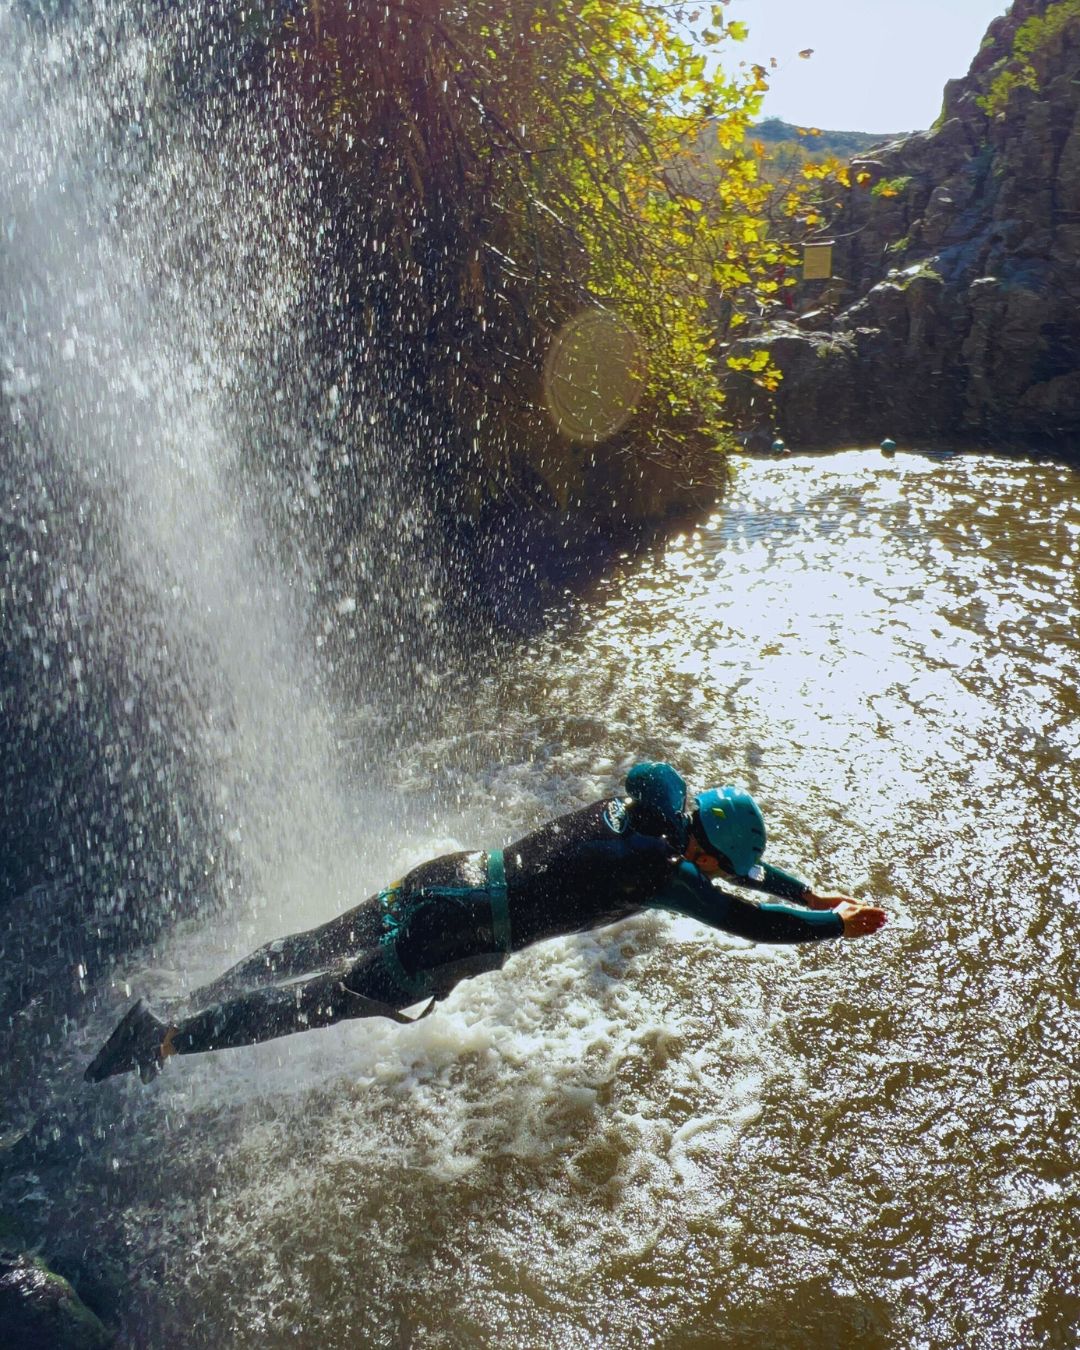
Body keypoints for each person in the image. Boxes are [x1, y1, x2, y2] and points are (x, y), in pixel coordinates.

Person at [84, 762, 886, 1084]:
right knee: (313, 1004)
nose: (717, 874)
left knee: (309, 946)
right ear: (704, 850)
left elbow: (742, 877)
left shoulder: (648, 808)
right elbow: (745, 920)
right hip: (455, 935)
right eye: (719, 863)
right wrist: (829, 930)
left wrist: (809, 893)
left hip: (453, 873)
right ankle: (161, 1038)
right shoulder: (663, 876)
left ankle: (184, 999)